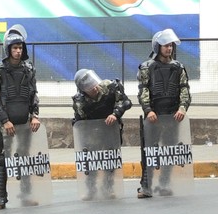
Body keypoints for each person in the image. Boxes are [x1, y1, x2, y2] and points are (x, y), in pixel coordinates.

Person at [0, 24, 40, 210]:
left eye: (20, 48)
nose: (18, 51)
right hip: (6, 122)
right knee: (4, 159)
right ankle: (0, 197)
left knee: (25, 158)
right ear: (8, 49)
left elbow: (34, 95)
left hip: (25, 120)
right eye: (14, 48)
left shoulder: (28, 68)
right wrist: (4, 120)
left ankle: (26, 194)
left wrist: (35, 116)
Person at [136, 28, 191, 198]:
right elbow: (143, 90)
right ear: (157, 47)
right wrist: (148, 110)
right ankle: (146, 185)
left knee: (169, 151)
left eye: (171, 46)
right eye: (166, 45)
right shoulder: (147, 67)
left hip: (172, 117)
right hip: (154, 117)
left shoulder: (178, 67)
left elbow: (184, 90)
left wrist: (182, 108)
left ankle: (165, 184)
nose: (169, 48)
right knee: (150, 152)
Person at [72, 68, 132, 200]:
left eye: (92, 84)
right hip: (92, 134)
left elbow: (126, 102)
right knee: (91, 161)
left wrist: (115, 114)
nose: (93, 88)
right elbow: (79, 120)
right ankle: (91, 190)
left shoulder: (111, 87)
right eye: (88, 87)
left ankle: (108, 188)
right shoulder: (80, 101)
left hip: (111, 130)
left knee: (110, 160)